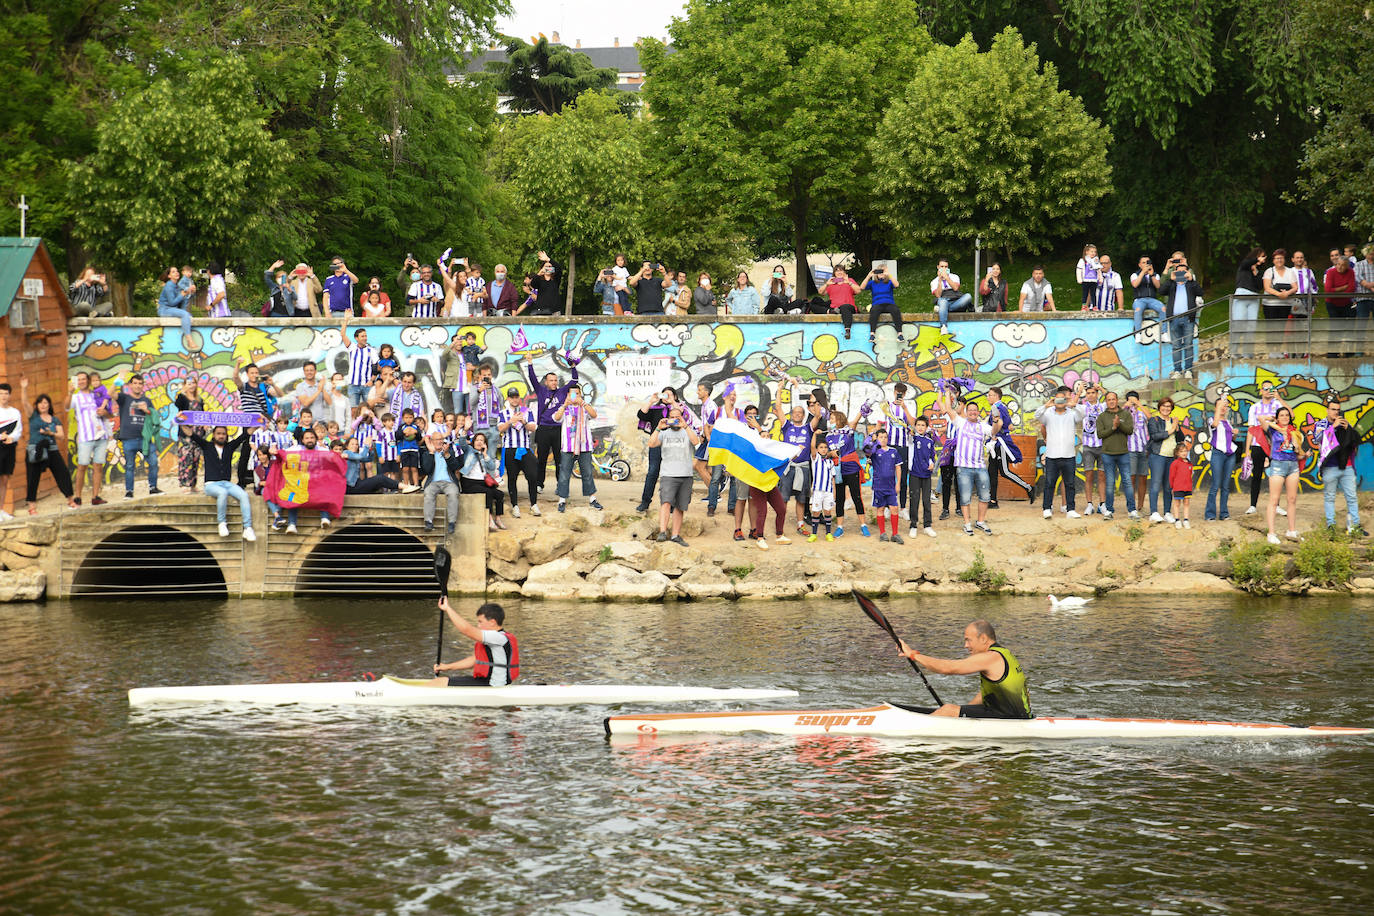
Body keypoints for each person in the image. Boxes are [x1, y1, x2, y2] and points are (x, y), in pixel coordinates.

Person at [896, 620, 1031, 719]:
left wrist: (913, 655)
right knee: (951, 710)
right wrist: (963, 713)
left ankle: (912, 731)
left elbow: (948, 668)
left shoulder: (990, 657)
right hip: (1014, 714)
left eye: (968, 640)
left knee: (948, 710)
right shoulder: (1005, 653)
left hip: (1010, 718)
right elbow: (989, 693)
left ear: (983, 638)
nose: (965, 645)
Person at [941, 388, 1000, 535]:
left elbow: (994, 431)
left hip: (980, 467)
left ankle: (980, 521)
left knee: (985, 496)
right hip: (964, 468)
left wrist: (997, 421)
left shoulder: (982, 426)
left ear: (978, 412)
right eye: (970, 410)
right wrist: (948, 392)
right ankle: (967, 523)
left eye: (975, 410)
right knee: (965, 497)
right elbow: (948, 409)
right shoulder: (960, 423)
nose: (973, 412)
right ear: (966, 412)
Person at [427, 599, 518, 687]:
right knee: (438, 682)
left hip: (492, 685)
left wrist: (447, 608)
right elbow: (474, 660)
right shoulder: (495, 639)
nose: (478, 626)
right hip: (486, 682)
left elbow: (466, 630)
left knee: (438, 683)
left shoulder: (498, 637)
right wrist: (447, 667)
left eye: (480, 622)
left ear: (492, 622)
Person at [525, 354, 580, 493]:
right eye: (551, 380)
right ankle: (539, 484)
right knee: (541, 459)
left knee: (559, 460)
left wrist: (573, 366)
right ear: (546, 382)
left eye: (555, 380)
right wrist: (530, 363)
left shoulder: (562, 392)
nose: (554, 382)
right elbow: (532, 378)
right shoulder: (541, 390)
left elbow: (574, 380)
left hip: (558, 429)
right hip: (543, 429)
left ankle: (559, 485)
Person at [19, 380, 75, 514]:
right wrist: (24, 388)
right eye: (40, 403)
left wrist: (50, 433)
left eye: (45, 402)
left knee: (62, 473)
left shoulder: (54, 419)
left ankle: (70, 499)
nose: (43, 405)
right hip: (35, 450)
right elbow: (24, 403)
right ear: (37, 405)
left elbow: (61, 435)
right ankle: (32, 507)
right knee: (33, 477)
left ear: (49, 405)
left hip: (51, 449)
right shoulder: (33, 416)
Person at [189, 426, 255, 540]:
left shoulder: (229, 447)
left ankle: (247, 528)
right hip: (211, 485)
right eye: (218, 433)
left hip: (227, 483)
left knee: (244, 495)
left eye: (223, 434)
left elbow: (245, 435)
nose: (221, 436)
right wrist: (181, 423)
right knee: (222, 493)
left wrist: (258, 423)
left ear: (226, 435)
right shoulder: (207, 446)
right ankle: (222, 523)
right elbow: (192, 434)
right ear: (214, 435)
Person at [648, 406, 701, 545]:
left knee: (680, 506)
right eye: (672, 417)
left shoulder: (688, 431)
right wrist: (658, 427)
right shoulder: (664, 433)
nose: (675, 420)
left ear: (682, 417)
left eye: (678, 417)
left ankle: (675, 535)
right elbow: (651, 443)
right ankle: (662, 532)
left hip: (686, 474)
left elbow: (696, 442)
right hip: (668, 474)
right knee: (665, 502)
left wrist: (686, 426)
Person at [1314, 398, 1363, 536]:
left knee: (1352, 497)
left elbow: (1356, 440)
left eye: (1338, 410)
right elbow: (1318, 440)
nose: (1336, 412)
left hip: (1346, 467)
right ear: (1327, 410)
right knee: (1330, 497)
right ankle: (1331, 526)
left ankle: (1355, 526)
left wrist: (1349, 429)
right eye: (1333, 409)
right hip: (1330, 467)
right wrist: (1333, 427)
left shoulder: (1344, 424)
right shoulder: (1321, 424)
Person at [1033, 386, 1083, 518]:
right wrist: (1047, 405)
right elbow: (1037, 415)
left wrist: (1072, 404)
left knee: (1070, 484)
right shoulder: (1048, 414)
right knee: (1049, 483)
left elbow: (1082, 414)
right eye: (1058, 400)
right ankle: (1047, 508)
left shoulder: (1072, 413)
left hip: (1069, 455)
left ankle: (1070, 509)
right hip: (1052, 455)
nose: (1060, 403)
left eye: (1062, 400)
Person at [774, 394, 819, 536]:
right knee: (784, 498)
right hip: (789, 468)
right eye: (795, 412)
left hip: (803, 468)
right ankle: (780, 526)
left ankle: (800, 525)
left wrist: (815, 402)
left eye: (800, 412)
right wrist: (780, 390)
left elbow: (817, 416)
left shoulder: (808, 428)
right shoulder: (786, 426)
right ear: (792, 414)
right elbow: (779, 408)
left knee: (801, 499)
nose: (797, 414)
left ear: (804, 415)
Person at [554, 385, 603, 513]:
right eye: (572, 394)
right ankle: (562, 500)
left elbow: (594, 414)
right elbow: (556, 418)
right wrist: (565, 404)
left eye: (577, 394)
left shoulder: (585, 408)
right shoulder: (564, 409)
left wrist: (583, 403)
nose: (575, 396)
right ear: (568, 395)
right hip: (568, 447)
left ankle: (592, 499)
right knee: (564, 474)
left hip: (584, 446)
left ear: (581, 395)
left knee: (587, 473)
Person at [1260, 406, 1305, 544]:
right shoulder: (1273, 430)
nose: (1285, 417)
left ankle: (1291, 530)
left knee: (1292, 499)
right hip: (1278, 466)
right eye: (1282, 415)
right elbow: (1261, 418)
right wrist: (1272, 419)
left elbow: (1298, 450)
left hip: (1293, 466)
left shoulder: (1294, 432)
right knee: (1274, 499)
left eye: (1287, 415)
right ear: (1277, 418)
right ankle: (1271, 533)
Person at [67, 372, 110, 506]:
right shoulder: (75, 397)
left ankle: (95, 496)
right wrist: (69, 393)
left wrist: (105, 412)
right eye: (79, 379)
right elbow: (66, 407)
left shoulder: (96, 394)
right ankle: (78, 497)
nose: (81, 381)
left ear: (89, 380)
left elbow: (110, 413)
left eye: (84, 379)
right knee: (82, 466)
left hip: (101, 435)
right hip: (85, 437)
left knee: (98, 466)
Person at [498, 387, 540, 518]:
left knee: (533, 476)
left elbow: (533, 427)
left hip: (524, 448)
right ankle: (515, 505)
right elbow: (500, 428)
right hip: (510, 449)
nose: (514, 399)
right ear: (508, 399)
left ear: (519, 399)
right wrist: (510, 421)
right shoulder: (503, 413)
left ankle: (533, 504)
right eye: (512, 397)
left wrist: (523, 421)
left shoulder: (526, 411)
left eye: (516, 397)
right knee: (512, 477)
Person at [115, 373, 159, 498]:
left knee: (153, 462)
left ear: (143, 386)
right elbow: (110, 394)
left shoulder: (147, 400)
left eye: (140, 383)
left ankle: (153, 488)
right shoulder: (124, 398)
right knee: (129, 466)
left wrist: (147, 410)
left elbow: (155, 418)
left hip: (145, 439)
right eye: (135, 383)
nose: (138, 386)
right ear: (130, 385)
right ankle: (129, 492)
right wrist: (117, 380)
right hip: (128, 439)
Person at [1245, 381, 1284, 515]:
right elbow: (1251, 429)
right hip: (1257, 444)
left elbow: (1287, 420)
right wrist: (1247, 450)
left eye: (1271, 389)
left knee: (1276, 475)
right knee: (1256, 475)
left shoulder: (1278, 405)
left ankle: (1277, 505)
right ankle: (1253, 505)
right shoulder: (1254, 408)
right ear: (1261, 391)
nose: (1268, 391)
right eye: (1265, 388)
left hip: (1275, 445)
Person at [825, 407, 865, 537]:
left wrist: (862, 410)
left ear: (839, 420)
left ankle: (863, 525)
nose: (829, 421)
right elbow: (824, 453)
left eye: (832, 419)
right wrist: (830, 453)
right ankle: (840, 527)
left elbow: (854, 422)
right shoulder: (829, 436)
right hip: (838, 470)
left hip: (851, 468)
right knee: (840, 499)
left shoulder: (848, 432)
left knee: (856, 496)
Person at [1160, 251, 1202, 376]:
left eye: (1184, 271)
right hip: (1174, 319)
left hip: (1188, 319)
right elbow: (1161, 290)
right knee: (1176, 346)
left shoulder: (1190, 285)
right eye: (1179, 271)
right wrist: (1170, 279)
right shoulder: (1172, 284)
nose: (1181, 274)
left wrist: (1191, 279)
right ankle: (1177, 370)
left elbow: (1200, 292)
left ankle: (1188, 369)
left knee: (1189, 345)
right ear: (1174, 272)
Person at [455, 430, 506, 531]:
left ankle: (498, 518)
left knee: (499, 494)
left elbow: (491, 467)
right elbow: (462, 443)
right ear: (473, 442)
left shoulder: (485, 455)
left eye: (481, 440)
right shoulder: (469, 450)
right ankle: (489, 519)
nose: (479, 442)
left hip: (482, 483)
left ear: (485, 443)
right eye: (477, 440)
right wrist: (465, 430)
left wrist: (486, 454)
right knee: (488, 493)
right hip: (469, 482)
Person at [635, 387, 676, 513]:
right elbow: (641, 414)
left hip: (673, 446)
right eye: (665, 394)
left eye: (670, 395)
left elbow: (683, 416)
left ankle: (671, 503)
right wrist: (651, 401)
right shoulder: (655, 409)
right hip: (656, 444)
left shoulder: (677, 410)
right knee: (652, 472)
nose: (667, 397)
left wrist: (673, 402)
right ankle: (645, 502)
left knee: (671, 475)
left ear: (675, 396)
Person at [1203, 395, 1242, 522]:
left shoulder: (1228, 422)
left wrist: (1234, 434)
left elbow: (1231, 439)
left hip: (1230, 454)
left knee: (1225, 486)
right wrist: (1218, 408)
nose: (1223, 408)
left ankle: (1224, 513)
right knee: (1215, 484)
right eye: (1221, 406)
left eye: (1225, 406)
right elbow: (1214, 425)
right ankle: (1210, 514)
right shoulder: (1212, 420)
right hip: (1218, 454)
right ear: (1215, 407)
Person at [983, 386, 1020, 510]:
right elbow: (1009, 426)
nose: (988, 397)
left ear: (996, 396)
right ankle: (992, 500)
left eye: (989, 395)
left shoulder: (996, 407)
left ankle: (1027, 487)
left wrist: (994, 434)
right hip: (998, 444)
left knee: (1002, 472)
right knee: (992, 473)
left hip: (999, 444)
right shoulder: (1002, 407)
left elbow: (1000, 423)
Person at [866, 428, 904, 543]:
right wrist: (871, 437)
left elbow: (898, 467)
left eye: (885, 437)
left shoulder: (894, 451)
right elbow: (867, 448)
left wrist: (898, 484)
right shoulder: (874, 452)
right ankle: (882, 533)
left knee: (894, 508)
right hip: (878, 486)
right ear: (877, 438)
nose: (883, 439)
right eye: (881, 437)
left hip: (891, 486)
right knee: (880, 509)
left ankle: (895, 534)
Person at [904, 414, 937, 538]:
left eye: (923, 425)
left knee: (926, 501)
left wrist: (931, 463)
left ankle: (927, 526)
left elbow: (931, 456)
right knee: (914, 500)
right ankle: (913, 525)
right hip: (915, 474)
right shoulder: (912, 438)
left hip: (926, 475)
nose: (920, 427)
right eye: (918, 425)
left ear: (927, 427)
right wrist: (911, 431)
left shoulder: (929, 441)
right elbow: (910, 434)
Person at [1146, 396, 1179, 523]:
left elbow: (1179, 437)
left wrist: (1177, 427)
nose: (1166, 408)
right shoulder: (1154, 420)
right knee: (1155, 484)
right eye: (1164, 406)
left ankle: (1167, 512)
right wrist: (1171, 429)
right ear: (1159, 407)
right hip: (1157, 456)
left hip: (1171, 457)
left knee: (1168, 486)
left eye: (1168, 406)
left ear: (1171, 409)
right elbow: (1155, 436)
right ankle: (1153, 512)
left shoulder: (1173, 420)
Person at [1323, 247, 1359, 357]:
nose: (1340, 267)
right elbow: (1328, 290)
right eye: (1338, 264)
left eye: (1343, 265)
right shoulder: (1331, 272)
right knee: (1335, 327)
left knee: (1348, 327)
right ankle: (1332, 353)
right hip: (1332, 304)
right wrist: (1343, 287)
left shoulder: (1351, 272)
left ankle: (1349, 353)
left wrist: (1337, 290)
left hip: (1346, 303)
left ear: (1347, 265)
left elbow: (1351, 289)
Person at [342, 436, 406, 495]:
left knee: (378, 485)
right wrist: (366, 445)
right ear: (347, 446)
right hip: (351, 487)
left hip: (357, 484)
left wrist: (370, 450)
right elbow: (361, 456)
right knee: (380, 478)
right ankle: (404, 486)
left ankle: (398, 488)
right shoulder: (346, 453)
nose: (355, 446)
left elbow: (369, 459)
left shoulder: (355, 456)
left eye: (356, 444)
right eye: (352, 444)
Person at [340, 314, 377, 411]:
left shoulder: (371, 350)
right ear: (356, 338)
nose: (365, 338)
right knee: (354, 410)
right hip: (353, 384)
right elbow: (343, 334)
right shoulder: (352, 347)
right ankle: (354, 426)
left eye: (365, 336)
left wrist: (371, 381)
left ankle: (367, 426)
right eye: (362, 336)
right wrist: (346, 320)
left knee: (368, 410)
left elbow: (376, 368)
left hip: (366, 385)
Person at [1078, 384, 1105, 515]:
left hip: (1102, 445)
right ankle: (1089, 504)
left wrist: (1101, 388)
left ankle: (1102, 504)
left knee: (1101, 476)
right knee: (1088, 475)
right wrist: (1078, 392)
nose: (1090, 395)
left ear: (1097, 394)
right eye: (1088, 393)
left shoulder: (1103, 406)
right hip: (1088, 446)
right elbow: (1072, 404)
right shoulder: (1083, 408)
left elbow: (1113, 400)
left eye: (1093, 392)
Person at [860, 263, 902, 341]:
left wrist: (889, 274)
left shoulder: (889, 282)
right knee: (874, 311)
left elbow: (896, 285)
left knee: (896, 310)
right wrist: (869, 276)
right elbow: (862, 287)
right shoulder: (873, 283)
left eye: (883, 272)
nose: (881, 274)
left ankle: (900, 334)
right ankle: (872, 334)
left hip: (889, 303)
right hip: (877, 304)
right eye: (879, 272)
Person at [929, 258, 971, 333]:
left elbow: (955, 288)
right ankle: (943, 326)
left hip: (955, 300)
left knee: (968, 296)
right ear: (938, 267)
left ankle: (943, 309)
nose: (944, 269)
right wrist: (940, 280)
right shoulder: (934, 281)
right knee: (943, 301)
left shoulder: (954, 277)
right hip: (943, 299)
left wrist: (947, 278)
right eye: (942, 267)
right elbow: (938, 295)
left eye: (946, 267)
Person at [815, 268, 861, 338]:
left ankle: (847, 330)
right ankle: (831, 311)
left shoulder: (849, 280)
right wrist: (827, 284)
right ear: (834, 273)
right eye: (837, 271)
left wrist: (848, 282)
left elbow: (858, 291)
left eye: (841, 270)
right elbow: (821, 292)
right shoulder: (831, 283)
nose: (839, 272)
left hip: (849, 307)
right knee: (814, 302)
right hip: (834, 309)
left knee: (844, 307)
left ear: (844, 272)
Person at [1124, 390, 1150, 512]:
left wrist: (1139, 404)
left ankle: (1141, 505)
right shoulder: (1125, 413)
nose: (1133, 402)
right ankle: (1131, 505)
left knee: (1143, 477)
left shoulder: (1141, 413)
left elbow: (1150, 417)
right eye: (1130, 399)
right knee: (1131, 478)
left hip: (1143, 449)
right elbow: (1119, 418)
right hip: (1130, 450)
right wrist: (1126, 406)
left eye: (1135, 399)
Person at [156, 266, 196, 343]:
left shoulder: (176, 285)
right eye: (173, 272)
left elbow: (181, 300)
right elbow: (172, 303)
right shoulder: (169, 285)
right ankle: (190, 340)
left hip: (171, 309)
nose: (176, 273)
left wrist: (191, 292)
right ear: (169, 276)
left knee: (188, 316)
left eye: (177, 271)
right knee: (185, 314)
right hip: (164, 309)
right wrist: (182, 295)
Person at [808, 440, 837, 541]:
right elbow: (812, 446)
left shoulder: (831, 462)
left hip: (828, 491)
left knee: (827, 511)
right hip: (818, 491)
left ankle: (828, 533)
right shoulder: (816, 459)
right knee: (816, 512)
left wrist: (834, 493)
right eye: (821, 447)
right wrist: (815, 434)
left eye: (825, 447)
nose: (824, 449)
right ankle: (814, 534)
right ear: (817, 450)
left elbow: (833, 478)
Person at [0, 382, 21, 518]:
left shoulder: (15, 412)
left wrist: (11, 438)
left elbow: (19, 431)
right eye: (1, 393)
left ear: (10, 395)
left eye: (6, 393)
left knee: (5, 478)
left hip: (9, 447)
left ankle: (1, 510)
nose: (3, 396)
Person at [1128, 256, 1162, 332]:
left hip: (1152, 299)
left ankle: (1164, 332)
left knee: (1163, 309)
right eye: (1143, 262)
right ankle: (1138, 333)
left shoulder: (1155, 275)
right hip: (1139, 299)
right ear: (1139, 265)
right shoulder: (1134, 275)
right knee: (1138, 310)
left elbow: (1158, 286)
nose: (1146, 264)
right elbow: (1135, 284)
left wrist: (1152, 275)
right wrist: (1143, 272)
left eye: (1147, 262)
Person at [1168, 444, 1194, 529]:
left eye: (1185, 451)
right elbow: (1171, 476)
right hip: (1178, 487)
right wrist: (1172, 487)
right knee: (1177, 503)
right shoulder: (1175, 463)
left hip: (1188, 488)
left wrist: (1190, 486)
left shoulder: (1190, 464)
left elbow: (1190, 476)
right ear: (1177, 453)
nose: (1184, 453)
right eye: (1181, 451)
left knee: (1186, 503)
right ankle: (1177, 520)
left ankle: (1186, 520)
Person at [527, 251, 560, 316]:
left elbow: (558, 268)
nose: (548, 269)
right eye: (546, 267)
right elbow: (533, 284)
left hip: (554, 312)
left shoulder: (556, 280)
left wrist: (548, 259)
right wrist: (539, 273)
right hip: (541, 311)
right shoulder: (539, 280)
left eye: (550, 267)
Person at [1075, 243, 1101, 309]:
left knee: (1093, 294)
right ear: (1086, 252)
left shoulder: (1096, 261)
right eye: (1091, 251)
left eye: (1095, 252)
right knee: (1085, 293)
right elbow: (1078, 270)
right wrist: (1079, 279)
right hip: (1085, 280)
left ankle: (1095, 306)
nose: (1093, 253)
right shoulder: (1082, 260)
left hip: (1094, 280)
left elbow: (1099, 271)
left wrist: (1100, 278)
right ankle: (1084, 306)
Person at [1356, 243, 1374, 320]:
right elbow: (1359, 279)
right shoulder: (1359, 265)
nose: (1372, 252)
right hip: (1363, 298)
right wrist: (1372, 288)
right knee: (1361, 324)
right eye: (1369, 250)